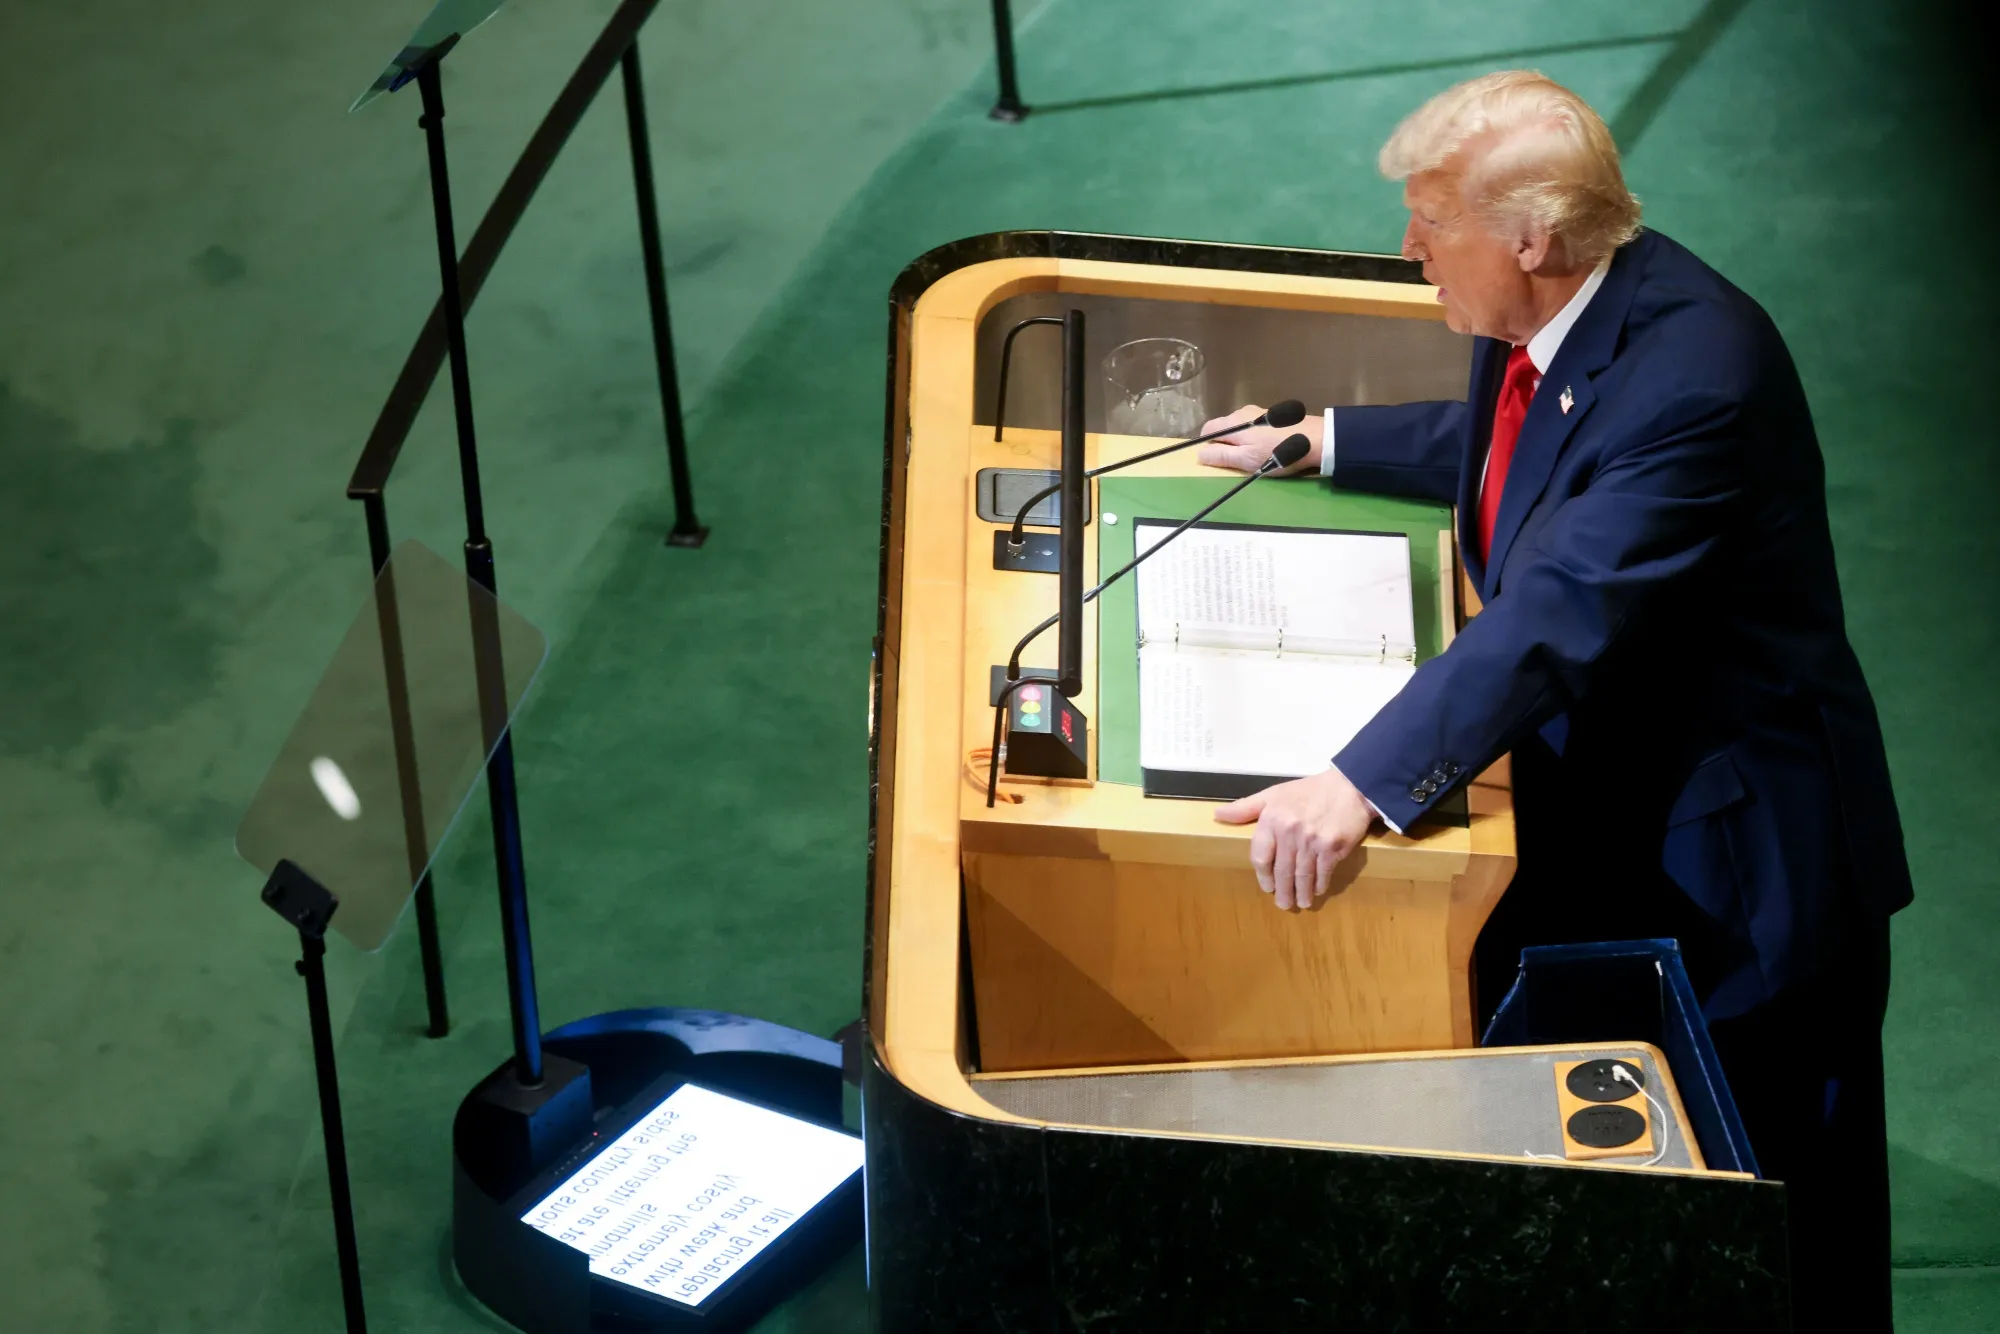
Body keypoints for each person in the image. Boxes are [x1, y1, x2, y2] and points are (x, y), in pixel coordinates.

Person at [1196, 71, 1908, 1328]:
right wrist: (1322, 438)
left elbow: (1561, 602)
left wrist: (1355, 780)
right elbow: (1519, 450)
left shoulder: (1699, 375)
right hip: (1615, 814)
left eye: (1429, 221)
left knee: (1767, 1206)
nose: (1405, 247)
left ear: (1530, 235)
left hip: (1738, 868)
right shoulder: (1563, 310)